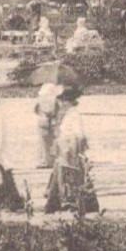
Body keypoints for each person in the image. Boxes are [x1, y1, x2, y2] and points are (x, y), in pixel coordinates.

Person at [43, 86, 99, 214]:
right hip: (64, 151)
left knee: (70, 178)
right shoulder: (67, 114)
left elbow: (78, 134)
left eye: (62, 101)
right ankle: (55, 203)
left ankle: (71, 203)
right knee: (62, 176)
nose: (60, 103)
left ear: (69, 102)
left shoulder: (74, 114)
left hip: (69, 152)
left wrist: (71, 149)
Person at [34, 82, 64, 169]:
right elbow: (56, 110)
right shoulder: (55, 98)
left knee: (43, 143)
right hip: (52, 121)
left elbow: (36, 110)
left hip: (42, 121)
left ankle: (45, 160)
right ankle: (52, 159)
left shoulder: (41, 98)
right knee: (52, 141)